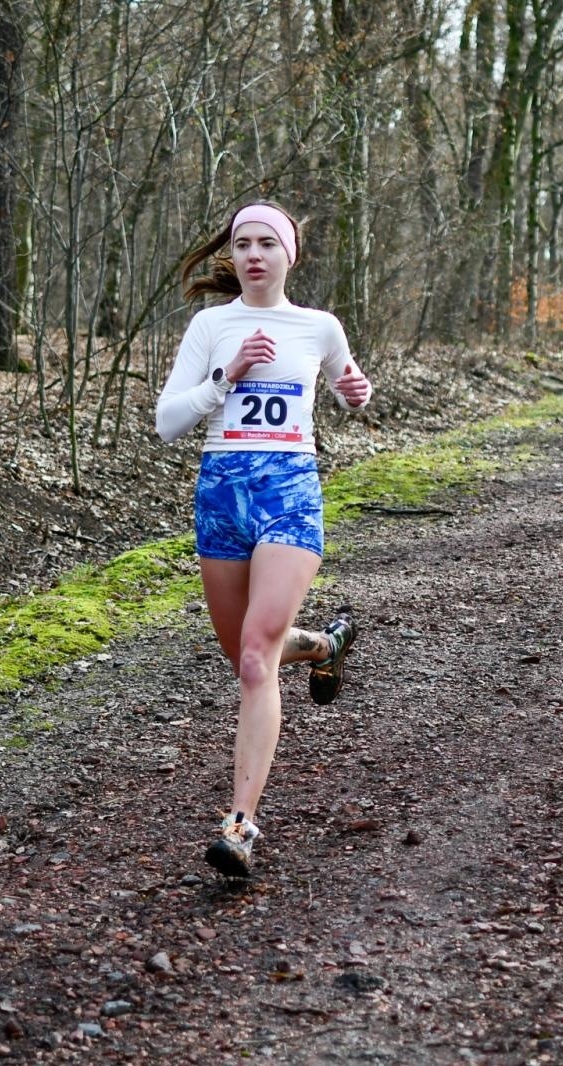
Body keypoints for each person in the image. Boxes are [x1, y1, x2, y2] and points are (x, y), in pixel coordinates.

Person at [155, 200, 372, 878]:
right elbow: (166, 421)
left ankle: (240, 825)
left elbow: (346, 385)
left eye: (267, 244)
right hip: (222, 496)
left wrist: (356, 393)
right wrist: (226, 378)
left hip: (289, 496)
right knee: (249, 655)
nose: (253, 254)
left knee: (255, 659)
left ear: (289, 256)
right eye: (243, 243)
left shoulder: (317, 326)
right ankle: (327, 644)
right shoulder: (211, 326)